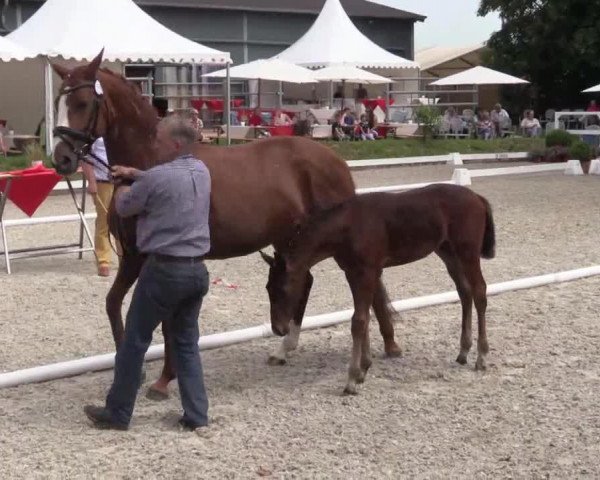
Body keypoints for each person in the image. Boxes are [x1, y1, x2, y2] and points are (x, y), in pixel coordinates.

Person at [83, 116, 212, 432]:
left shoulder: (154, 179)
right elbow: (166, 179)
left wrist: (122, 183)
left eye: (159, 139)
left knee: (134, 342)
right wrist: (137, 174)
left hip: (164, 271)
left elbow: (125, 207)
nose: (154, 143)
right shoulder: (201, 170)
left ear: (176, 144)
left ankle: (118, 412)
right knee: (186, 343)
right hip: (197, 271)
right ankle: (196, 415)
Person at [81, 137, 115, 277]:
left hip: (119, 179)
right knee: (104, 220)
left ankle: (124, 256)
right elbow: (85, 158)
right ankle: (103, 260)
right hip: (102, 181)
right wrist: (92, 181)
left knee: (123, 220)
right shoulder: (93, 137)